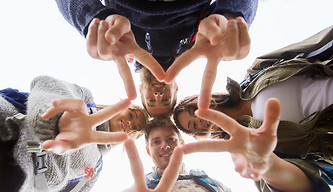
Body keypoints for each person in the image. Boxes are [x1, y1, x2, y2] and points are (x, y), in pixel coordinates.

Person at [175, 25, 333, 192]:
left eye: (194, 110)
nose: (201, 119)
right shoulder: (245, 149)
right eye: (194, 125)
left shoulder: (256, 71)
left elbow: (314, 47)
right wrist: (268, 165)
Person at [0, 75, 146, 192]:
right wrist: (55, 122)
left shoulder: (94, 169)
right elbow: (46, 84)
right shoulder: (85, 102)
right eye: (131, 115)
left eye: (135, 128)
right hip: (8, 130)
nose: (130, 123)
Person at [90, 118, 286, 192]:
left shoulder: (212, 183)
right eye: (156, 142)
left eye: (170, 139)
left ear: (181, 143)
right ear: (148, 150)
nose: (164, 145)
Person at [55, 0, 256, 113]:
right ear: (175, 89)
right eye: (166, 100)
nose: (159, 96)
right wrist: (232, 16)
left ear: (141, 90)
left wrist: (92, 19)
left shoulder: (119, 45)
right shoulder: (200, 42)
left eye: (151, 101)